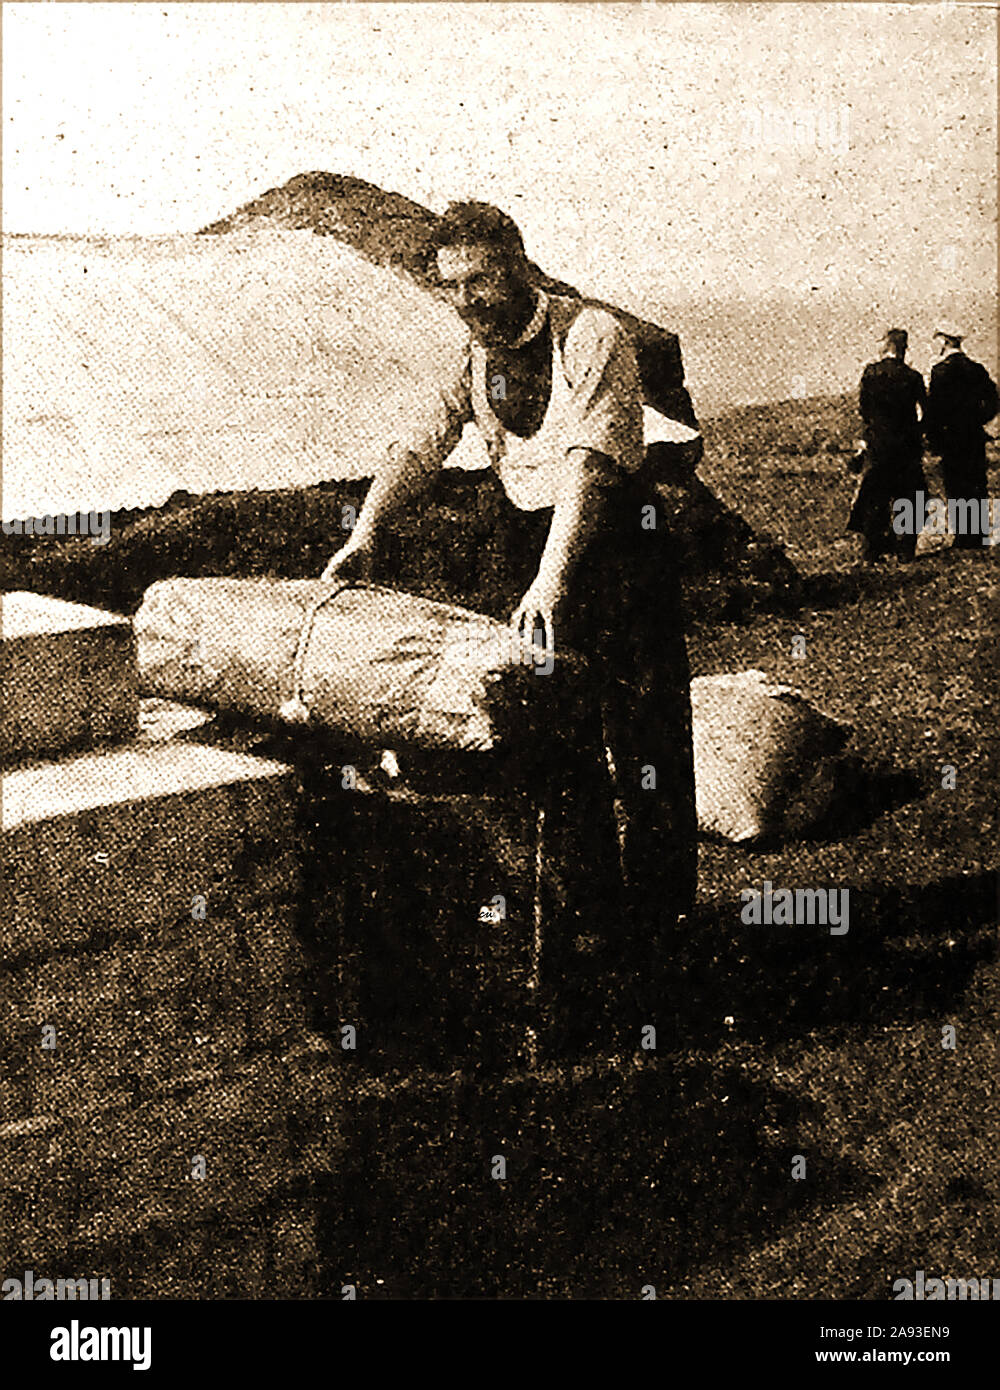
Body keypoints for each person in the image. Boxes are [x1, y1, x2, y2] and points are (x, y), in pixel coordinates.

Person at [321, 200, 699, 983]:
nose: (468, 300)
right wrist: (367, 535)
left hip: (617, 544)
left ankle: (667, 931)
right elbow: (417, 446)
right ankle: (593, 920)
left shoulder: (590, 336)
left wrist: (555, 580)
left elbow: (591, 466)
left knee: (646, 739)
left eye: (482, 280)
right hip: (531, 544)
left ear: (520, 267)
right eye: (451, 286)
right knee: (553, 736)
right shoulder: (467, 356)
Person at [848, 328, 927, 563]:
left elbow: (863, 410)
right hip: (907, 447)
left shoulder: (871, 374)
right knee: (910, 497)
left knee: (875, 497)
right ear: (903, 348)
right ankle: (905, 550)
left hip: (878, 445)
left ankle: (872, 550)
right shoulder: (913, 377)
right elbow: (925, 412)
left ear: (887, 345)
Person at [923, 325, 998, 550]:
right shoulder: (977, 370)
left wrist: (934, 439)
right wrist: (980, 420)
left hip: (951, 439)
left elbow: (933, 411)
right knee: (976, 483)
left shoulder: (940, 371)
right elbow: (994, 400)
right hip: (973, 436)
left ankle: (963, 537)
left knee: (956, 484)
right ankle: (979, 535)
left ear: (945, 342)